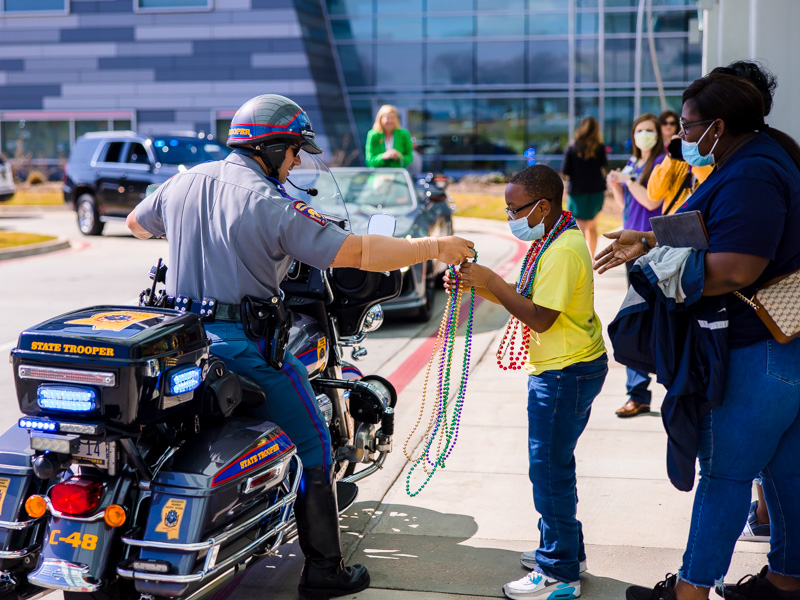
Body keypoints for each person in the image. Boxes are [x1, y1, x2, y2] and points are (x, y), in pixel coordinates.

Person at [126, 94, 475, 600]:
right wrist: (435, 248)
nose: (295, 163)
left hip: (182, 345)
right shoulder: (271, 203)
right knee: (316, 442)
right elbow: (355, 252)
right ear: (271, 149)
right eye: (293, 153)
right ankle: (324, 572)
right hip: (244, 346)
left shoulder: (184, 181)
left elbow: (138, 224)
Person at [594, 67, 800, 600]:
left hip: (759, 350)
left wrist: (663, 271)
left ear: (719, 125)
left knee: (725, 474)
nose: (678, 137)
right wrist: (650, 237)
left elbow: (737, 266)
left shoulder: (754, 170)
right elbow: (713, 226)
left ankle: (690, 592)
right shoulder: (754, 158)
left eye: (687, 127)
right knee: (785, 472)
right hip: (781, 350)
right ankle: (785, 580)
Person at [450, 165, 607, 600]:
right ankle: (565, 551)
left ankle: (558, 573)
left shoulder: (562, 250)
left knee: (549, 471)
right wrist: (475, 286)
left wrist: (491, 281)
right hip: (565, 366)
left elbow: (540, 316)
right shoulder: (553, 237)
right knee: (556, 466)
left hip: (563, 373)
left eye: (513, 209)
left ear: (542, 206)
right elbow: (525, 296)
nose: (508, 217)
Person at [606, 113, 665, 418]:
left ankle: (641, 389)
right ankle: (637, 392)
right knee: (636, 315)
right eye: (640, 130)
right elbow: (625, 203)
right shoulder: (633, 163)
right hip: (631, 247)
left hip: (651, 245)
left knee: (644, 316)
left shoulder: (661, 163)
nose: (644, 135)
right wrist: (617, 183)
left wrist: (628, 180)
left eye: (650, 131)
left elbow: (653, 202)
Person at [561, 116, 608, 256]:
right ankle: (592, 257)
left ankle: (582, 257)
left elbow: (565, 171)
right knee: (592, 226)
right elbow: (603, 166)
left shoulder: (572, 147)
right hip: (596, 191)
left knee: (579, 227)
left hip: (578, 191)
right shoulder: (599, 148)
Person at [365, 104, 413, 169]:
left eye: (392, 117)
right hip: (379, 174)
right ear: (380, 119)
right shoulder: (373, 135)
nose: (389, 121)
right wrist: (383, 156)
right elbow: (369, 160)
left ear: (396, 119)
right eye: (387, 118)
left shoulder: (404, 134)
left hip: (398, 172)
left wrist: (399, 157)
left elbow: (409, 158)